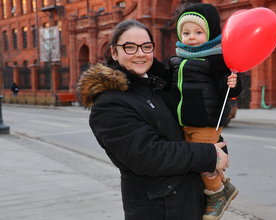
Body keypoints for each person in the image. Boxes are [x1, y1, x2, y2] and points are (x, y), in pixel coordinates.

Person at [76, 19, 230, 220]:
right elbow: (148, 155)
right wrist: (209, 155)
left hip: (184, 203)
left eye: (146, 47)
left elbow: (186, 126)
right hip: (158, 209)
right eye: (130, 47)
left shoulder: (153, 88)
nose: (140, 53)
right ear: (114, 52)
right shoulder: (109, 104)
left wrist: (213, 141)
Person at [168, 3, 241, 220]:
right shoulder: (177, 59)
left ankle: (217, 194)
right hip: (184, 121)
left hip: (207, 119)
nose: (191, 37)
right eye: (186, 32)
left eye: (198, 32)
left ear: (209, 34)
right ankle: (225, 185)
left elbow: (227, 88)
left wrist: (233, 83)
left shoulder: (216, 59)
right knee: (196, 154)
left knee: (202, 159)